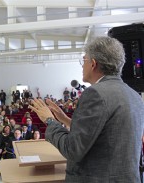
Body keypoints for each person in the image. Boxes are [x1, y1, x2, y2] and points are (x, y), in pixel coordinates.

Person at [29, 37, 144, 182]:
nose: (82, 65)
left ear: (93, 64)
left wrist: (49, 120)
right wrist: (64, 119)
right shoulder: (134, 95)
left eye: (84, 60)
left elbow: (72, 149)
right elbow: (106, 134)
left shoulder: (95, 93)